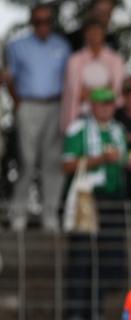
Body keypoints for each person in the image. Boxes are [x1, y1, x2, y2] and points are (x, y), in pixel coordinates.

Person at [62, 87, 131, 320]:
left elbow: (124, 159)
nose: (106, 108)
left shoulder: (118, 130)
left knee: (106, 258)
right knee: (82, 256)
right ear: (92, 106)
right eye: (101, 104)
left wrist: (130, 161)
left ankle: (96, 311)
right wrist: (101, 159)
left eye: (109, 104)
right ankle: (75, 312)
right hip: (87, 198)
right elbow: (67, 165)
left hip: (114, 199)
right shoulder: (78, 129)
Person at [4, 3, 71, 232]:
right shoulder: (17, 45)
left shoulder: (62, 46)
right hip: (28, 105)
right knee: (26, 161)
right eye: (38, 21)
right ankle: (18, 214)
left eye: (47, 21)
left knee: (52, 163)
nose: (43, 26)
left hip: (55, 106)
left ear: (52, 23)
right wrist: (19, 103)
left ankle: (49, 215)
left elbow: (69, 80)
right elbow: (8, 77)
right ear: (32, 22)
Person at [60, 18, 124, 132]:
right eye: (91, 32)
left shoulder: (115, 59)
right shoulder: (75, 60)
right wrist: (102, 92)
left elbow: (115, 89)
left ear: (103, 34)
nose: (94, 36)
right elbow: (76, 91)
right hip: (80, 115)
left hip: (109, 117)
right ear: (85, 35)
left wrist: (90, 92)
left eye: (97, 32)